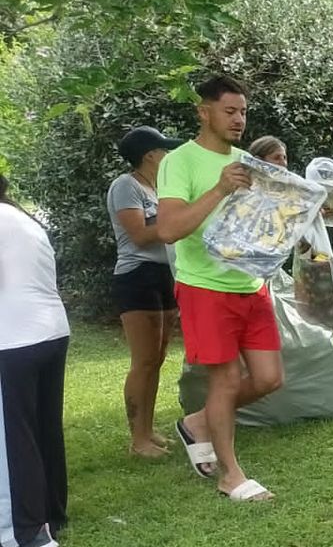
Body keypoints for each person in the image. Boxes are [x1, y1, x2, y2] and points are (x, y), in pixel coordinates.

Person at [156, 74, 283, 501]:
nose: (239, 119)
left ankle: (198, 423)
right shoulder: (181, 161)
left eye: (243, 112)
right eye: (230, 111)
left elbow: (262, 225)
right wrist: (219, 188)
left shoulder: (249, 160)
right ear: (204, 112)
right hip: (204, 287)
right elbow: (169, 229)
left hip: (251, 285)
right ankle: (231, 475)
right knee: (225, 380)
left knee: (268, 379)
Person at [0, 175, 71, 547]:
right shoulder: (20, 217)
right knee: (42, 429)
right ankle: (51, 515)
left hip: (12, 338)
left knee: (12, 439)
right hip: (49, 333)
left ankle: (23, 534)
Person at [109, 126, 184, 457]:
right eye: (163, 150)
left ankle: (148, 430)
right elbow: (139, 235)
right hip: (137, 275)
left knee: (157, 358)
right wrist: (177, 223)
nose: (168, 155)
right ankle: (137, 440)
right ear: (150, 155)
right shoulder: (125, 186)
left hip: (164, 273)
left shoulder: (158, 188)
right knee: (143, 361)